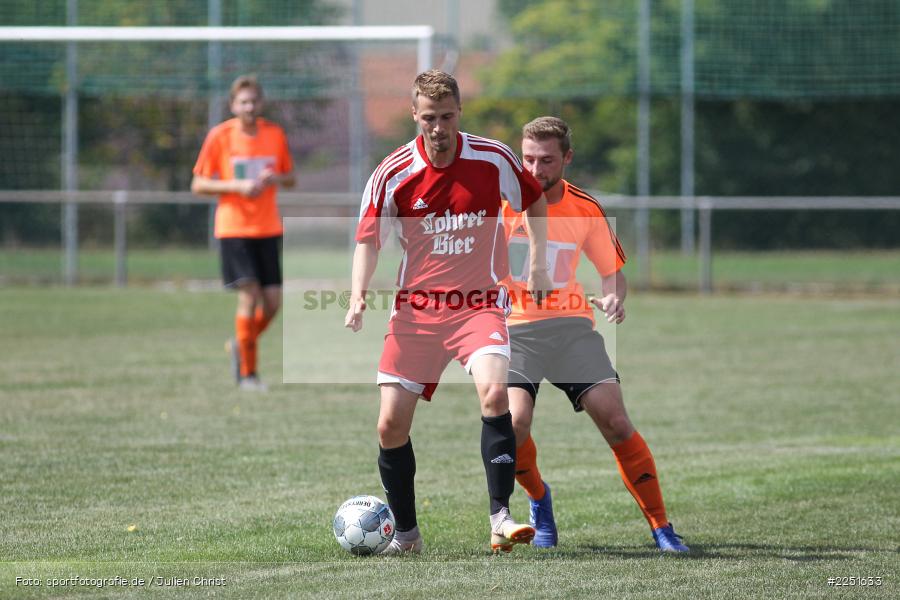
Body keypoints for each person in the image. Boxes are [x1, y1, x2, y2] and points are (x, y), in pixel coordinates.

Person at [344, 70, 552, 554]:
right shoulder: (392, 172)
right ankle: (408, 536)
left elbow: (535, 201)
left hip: (477, 304)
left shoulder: (492, 158)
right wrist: (357, 294)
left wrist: (538, 264)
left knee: (495, 391)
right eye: (430, 117)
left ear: (460, 113)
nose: (439, 127)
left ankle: (500, 518)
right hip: (416, 312)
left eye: (448, 116)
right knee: (390, 425)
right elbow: (367, 240)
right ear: (415, 115)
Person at [502, 116, 689, 552]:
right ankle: (539, 501)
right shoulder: (501, 203)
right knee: (512, 425)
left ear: (567, 158)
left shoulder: (585, 207)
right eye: (527, 158)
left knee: (615, 418)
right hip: (514, 331)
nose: (534, 169)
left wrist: (613, 298)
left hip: (571, 330)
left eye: (546, 160)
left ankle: (662, 527)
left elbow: (612, 274)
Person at [191, 75, 295, 392]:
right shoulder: (220, 136)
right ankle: (248, 375)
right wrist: (236, 185)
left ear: (260, 103)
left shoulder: (274, 134)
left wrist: (272, 178)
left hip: (268, 227)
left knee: (273, 304)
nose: (249, 107)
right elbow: (198, 184)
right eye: (243, 102)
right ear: (234, 105)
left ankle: (240, 342)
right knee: (249, 296)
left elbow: (290, 178)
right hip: (234, 228)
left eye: (253, 101)